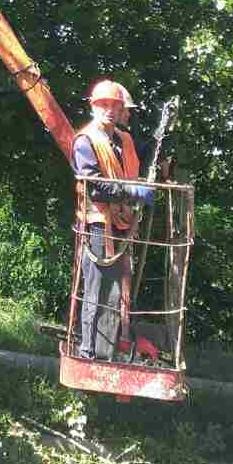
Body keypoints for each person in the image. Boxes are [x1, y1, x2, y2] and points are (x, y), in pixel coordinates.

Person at [71, 79, 155, 361]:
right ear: (94, 107)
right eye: (103, 105)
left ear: (121, 110)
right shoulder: (85, 141)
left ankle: (107, 352)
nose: (109, 110)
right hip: (97, 224)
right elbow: (94, 185)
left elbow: (136, 165)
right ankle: (88, 352)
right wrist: (131, 191)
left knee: (117, 292)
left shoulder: (124, 140)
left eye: (115, 106)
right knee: (96, 288)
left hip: (122, 222)